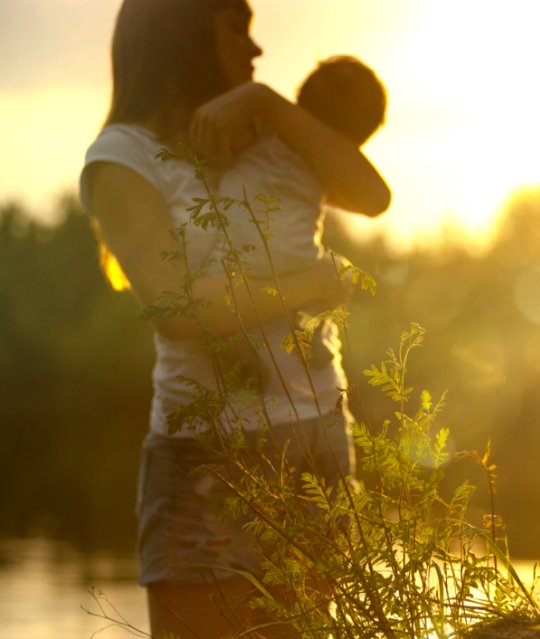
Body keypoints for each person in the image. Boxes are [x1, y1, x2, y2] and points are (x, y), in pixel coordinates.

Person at [79, 1, 390, 637]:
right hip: (207, 452)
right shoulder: (124, 155)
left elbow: (372, 195)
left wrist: (271, 105)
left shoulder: (265, 132)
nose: (256, 53)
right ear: (182, 32)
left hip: (315, 429)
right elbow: (180, 313)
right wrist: (318, 280)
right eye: (235, 29)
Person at [221, 54, 387, 278]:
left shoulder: (261, 127)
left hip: (224, 258)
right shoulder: (329, 170)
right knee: (340, 276)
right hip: (296, 265)